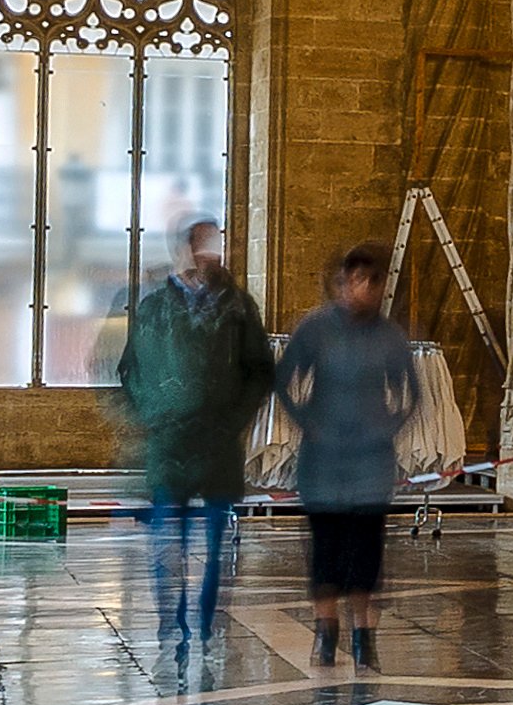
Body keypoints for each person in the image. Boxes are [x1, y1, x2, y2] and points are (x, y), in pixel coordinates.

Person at [115, 221, 267, 656]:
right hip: (170, 445)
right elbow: (130, 370)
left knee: (217, 542)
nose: (209, 256)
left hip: (218, 442)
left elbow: (259, 371)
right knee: (168, 539)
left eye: (214, 247)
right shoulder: (156, 308)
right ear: (184, 251)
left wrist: (233, 417)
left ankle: (207, 621)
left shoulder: (238, 307)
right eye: (201, 247)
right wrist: (155, 412)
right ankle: (170, 621)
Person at [273, 245, 421, 676]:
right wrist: (306, 421)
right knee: (326, 550)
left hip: (370, 464)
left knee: (366, 553)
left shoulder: (389, 336)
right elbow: (284, 381)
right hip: (323, 461)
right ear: (342, 282)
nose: (366, 290)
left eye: (374, 283)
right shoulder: (316, 329)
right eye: (357, 280)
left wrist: (390, 426)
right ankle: (326, 630)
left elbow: (411, 391)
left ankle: (364, 638)